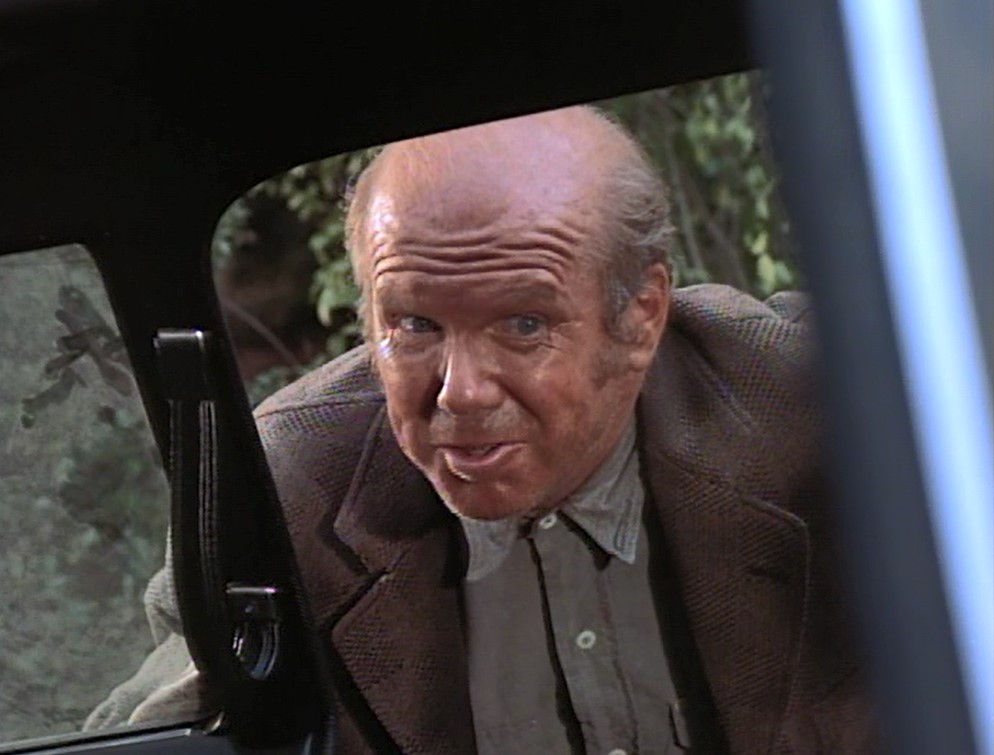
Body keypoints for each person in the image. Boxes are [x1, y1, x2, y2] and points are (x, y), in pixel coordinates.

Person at [90, 106, 878, 753]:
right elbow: (151, 728)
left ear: (641, 315)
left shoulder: (821, 401)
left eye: (524, 324)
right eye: (415, 325)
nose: (460, 393)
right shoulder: (288, 485)